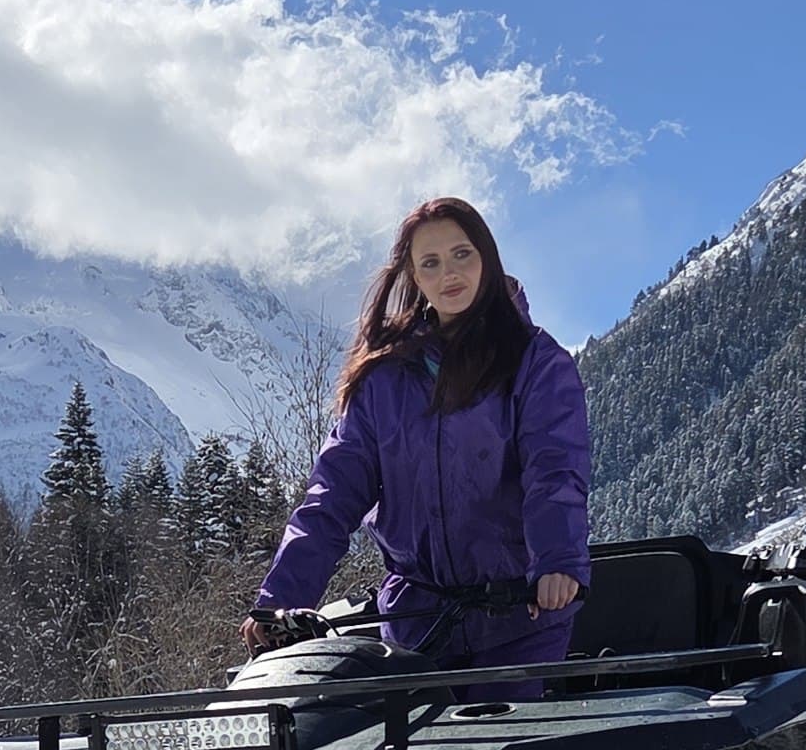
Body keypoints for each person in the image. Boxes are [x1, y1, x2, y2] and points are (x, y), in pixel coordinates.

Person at [242, 197, 590, 691]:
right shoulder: (384, 377)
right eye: (431, 263)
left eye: (462, 254)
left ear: (487, 259)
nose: (449, 273)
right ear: (414, 277)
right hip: (415, 626)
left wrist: (556, 562)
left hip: (521, 621)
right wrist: (282, 596)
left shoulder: (536, 362)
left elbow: (554, 470)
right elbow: (334, 493)